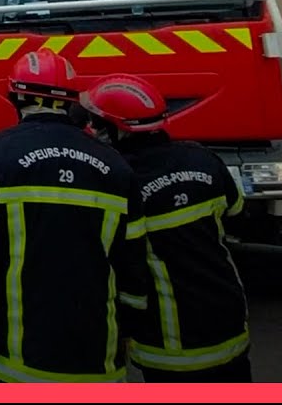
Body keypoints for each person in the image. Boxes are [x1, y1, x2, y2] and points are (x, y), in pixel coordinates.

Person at [0, 49, 151, 383]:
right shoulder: (115, 165)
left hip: (13, 364)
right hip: (96, 365)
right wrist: (130, 328)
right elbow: (134, 262)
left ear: (15, 97)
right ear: (72, 102)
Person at [79, 73, 253, 383]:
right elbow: (237, 213)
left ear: (115, 130)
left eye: (96, 123)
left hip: (169, 344)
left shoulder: (117, 181)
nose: (91, 129)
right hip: (229, 322)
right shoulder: (203, 159)